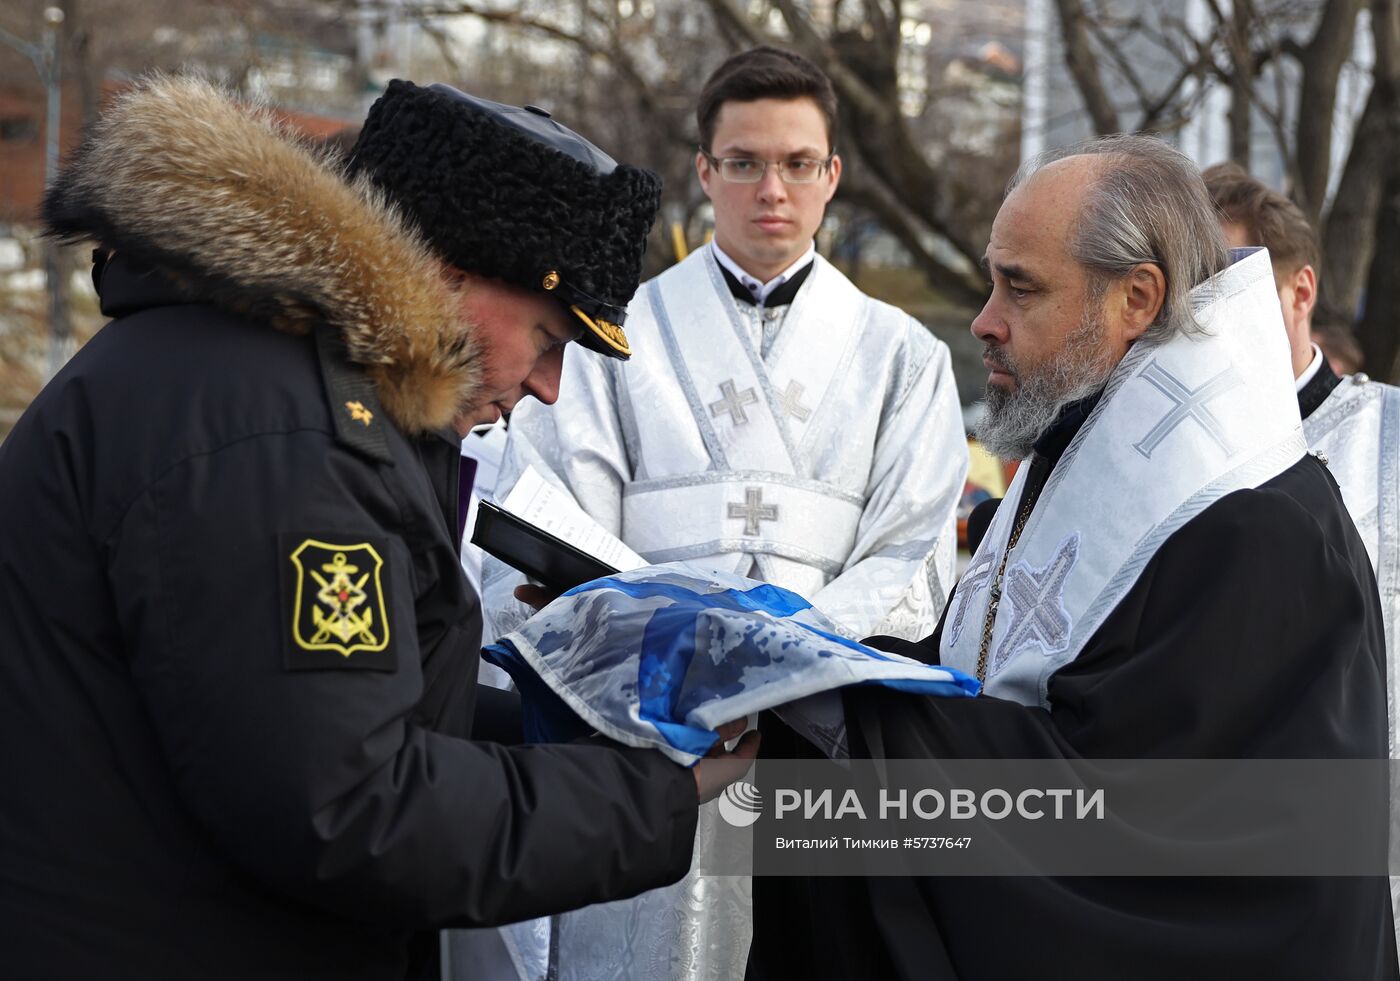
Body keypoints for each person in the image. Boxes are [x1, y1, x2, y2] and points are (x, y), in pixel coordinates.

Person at [0, 75, 757, 981]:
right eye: (550, 338)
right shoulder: (283, 439)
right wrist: (656, 796)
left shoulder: (267, 378)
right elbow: (352, 811)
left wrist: (557, 728)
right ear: (446, 273)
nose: (549, 387)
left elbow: (319, 709)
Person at [748, 135, 1397, 979]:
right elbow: (981, 668)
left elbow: (1131, 832)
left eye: (1020, 286)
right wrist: (810, 667)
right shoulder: (1075, 446)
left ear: (1136, 297)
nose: (985, 319)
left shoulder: (1258, 527)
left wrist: (850, 716)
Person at [481, 45, 968, 979]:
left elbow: (909, 552)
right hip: (651, 730)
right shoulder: (613, 340)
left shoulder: (903, 355)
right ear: (705, 172)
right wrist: (688, 664)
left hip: (818, 735)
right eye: (743, 162)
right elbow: (565, 525)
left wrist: (782, 654)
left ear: (833, 176)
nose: (769, 189)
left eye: (795, 163)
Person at [1205, 160, 1400, 951]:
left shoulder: (1387, 437)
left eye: (1232, 290)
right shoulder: (1164, 460)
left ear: (1301, 292)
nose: (1209, 318)